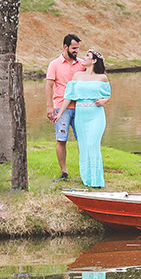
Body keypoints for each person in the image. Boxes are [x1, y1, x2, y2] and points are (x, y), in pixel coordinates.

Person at [63, 50, 111, 188]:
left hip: (96, 114)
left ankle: (97, 180)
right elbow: (69, 95)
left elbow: (107, 95)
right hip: (81, 115)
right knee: (83, 146)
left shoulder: (102, 78)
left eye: (87, 56)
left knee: (92, 144)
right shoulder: (77, 76)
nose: (83, 58)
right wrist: (60, 113)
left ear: (94, 60)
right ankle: (87, 178)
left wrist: (103, 101)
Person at [46, 33, 86, 181]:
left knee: (82, 139)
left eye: (78, 48)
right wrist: (49, 107)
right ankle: (64, 171)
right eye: (74, 48)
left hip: (80, 107)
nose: (76, 51)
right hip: (60, 108)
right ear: (65, 47)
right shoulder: (54, 64)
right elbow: (49, 86)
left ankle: (85, 169)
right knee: (61, 139)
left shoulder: (82, 64)